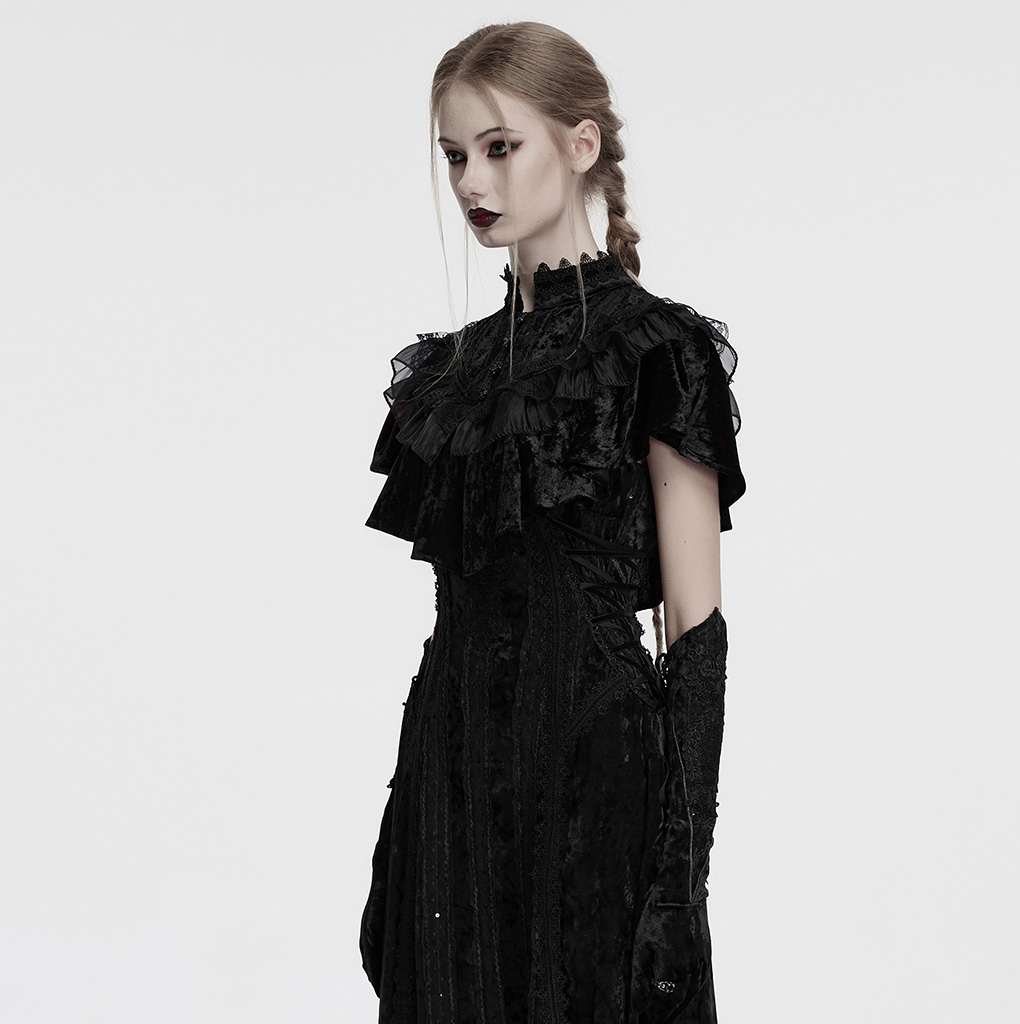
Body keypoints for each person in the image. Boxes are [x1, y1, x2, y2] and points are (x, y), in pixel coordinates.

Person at [358, 21, 745, 1024]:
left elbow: (694, 634)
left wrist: (680, 879)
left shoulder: (658, 350)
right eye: (455, 156)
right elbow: (458, 619)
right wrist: (399, 821)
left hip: (595, 778)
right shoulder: (449, 376)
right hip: (450, 781)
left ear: (579, 146)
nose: (472, 181)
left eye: (499, 147)